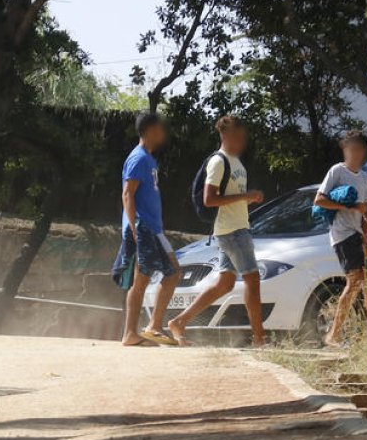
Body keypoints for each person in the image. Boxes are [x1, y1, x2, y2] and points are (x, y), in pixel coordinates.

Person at [168, 115, 267, 347]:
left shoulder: (237, 163)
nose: (241, 141)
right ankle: (260, 339)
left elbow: (229, 199)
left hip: (237, 227)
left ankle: (179, 322)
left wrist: (247, 199)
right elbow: (210, 199)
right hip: (231, 231)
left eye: (243, 137)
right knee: (252, 279)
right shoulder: (219, 161)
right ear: (224, 135)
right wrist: (245, 196)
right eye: (236, 136)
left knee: (225, 284)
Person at [111, 111, 181, 346]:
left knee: (172, 273)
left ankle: (153, 326)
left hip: (154, 228)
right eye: (160, 129)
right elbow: (127, 193)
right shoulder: (138, 158)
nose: (163, 133)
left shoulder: (149, 159)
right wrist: (133, 228)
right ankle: (130, 334)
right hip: (143, 227)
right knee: (141, 280)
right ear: (150, 130)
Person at [314, 129, 367, 347]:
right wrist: (348, 205)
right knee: (355, 281)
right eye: (351, 149)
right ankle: (334, 334)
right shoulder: (337, 171)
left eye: (359, 150)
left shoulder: (364, 177)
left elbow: (365, 210)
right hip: (342, 235)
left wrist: (366, 240)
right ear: (345, 150)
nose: (355, 154)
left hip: (358, 236)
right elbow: (319, 200)